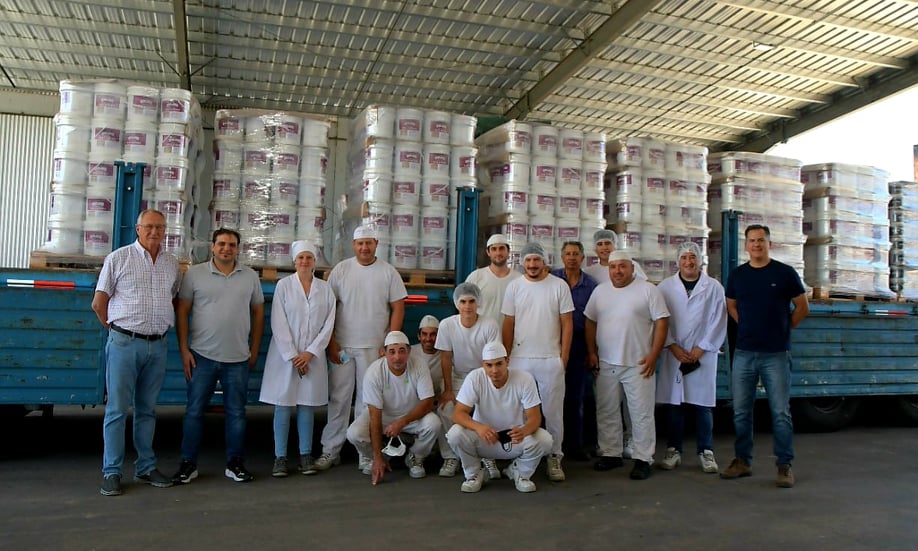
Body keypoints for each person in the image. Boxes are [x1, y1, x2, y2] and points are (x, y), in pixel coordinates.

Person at [91, 209, 180, 496]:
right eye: (149, 226)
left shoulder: (171, 263)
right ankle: (112, 472)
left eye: (160, 227)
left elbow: (172, 297)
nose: (155, 232)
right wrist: (115, 331)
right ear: (138, 229)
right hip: (124, 343)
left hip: (158, 345)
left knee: (147, 410)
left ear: (165, 231)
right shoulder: (118, 258)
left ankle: (146, 467)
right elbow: (99, 303)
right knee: (117, 410)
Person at [171, 229, 265, 485]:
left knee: (236, 414)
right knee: (194, 412)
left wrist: (254, 350)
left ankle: (235, 464)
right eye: (221, 244)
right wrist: (184, 350)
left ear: (238, 249)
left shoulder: (250, 277)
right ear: (212, 246)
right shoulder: (195, 274)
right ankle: (188, 464)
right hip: (202, 357)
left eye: (232, 245)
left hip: (238, 359)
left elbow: (258, 313)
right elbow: (182, 312)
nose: (226, 248)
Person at [721, 224, 809, 488]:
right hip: (745, 353)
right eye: (752, 240)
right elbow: (731, 304)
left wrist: (784, 327)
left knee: (780, 412)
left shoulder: (784, 273)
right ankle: (742, 461)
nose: (756, 245)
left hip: (776, 354)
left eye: (761, 240)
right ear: (746, 245)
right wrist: (746, 324)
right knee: (741, 411)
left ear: (769, 243)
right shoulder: (738, 275)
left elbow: (802, 307)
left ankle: (784, 465)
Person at [316, 224, 408, 472]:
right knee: (339, 398)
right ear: (353, 245)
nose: (364, 248)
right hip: (344, 346)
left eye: (368, 243)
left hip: (374, 347)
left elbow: (398, 307)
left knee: (368, 401)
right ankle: (330, 450)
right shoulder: (341, 270)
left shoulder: (388, 272)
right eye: (360, 243)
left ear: (376, 244)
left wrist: (390, 343)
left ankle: (364, 453)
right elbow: (329, 308)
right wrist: (332, 342)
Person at [585, 250, 670, 480]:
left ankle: (643, 458)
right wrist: (592, 352)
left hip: (639, 363)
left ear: (632, 268)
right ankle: (611, 453)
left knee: (641, 414)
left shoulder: (647, 290)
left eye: (622, 266)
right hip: (606, 363)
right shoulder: (600, 292)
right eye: (613, 267)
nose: (618, 271)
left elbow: (662, 322)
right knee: (607, 410)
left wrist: (653, 355)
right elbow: (590, 321)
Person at [259, 241, 336, 478]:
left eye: (309, 258)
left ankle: (305, 455)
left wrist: (310, 352)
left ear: (314, 261)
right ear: (294, 261)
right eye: (301, 257)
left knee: (307, 405)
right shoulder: (284, 286)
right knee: (283, 405)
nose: (304, 261)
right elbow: (278, 322)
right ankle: (280, 457)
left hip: (312, 357)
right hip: (285, 357)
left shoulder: (325, 289)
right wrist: (293, 355)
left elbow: (328, 324)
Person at [502, 242, 573, 482]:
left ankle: (554, 456)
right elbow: (509, 323)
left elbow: (567, 323)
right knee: (519, 412)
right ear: (522, 262)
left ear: (544, 261)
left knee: (553, 412)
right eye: (528, 260)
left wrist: (563, 357)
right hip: (520, 359)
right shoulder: (514, 287)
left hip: (550, 359)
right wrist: (507, 355)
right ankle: (521, 455)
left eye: (536, 260)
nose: (532, 265)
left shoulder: (559, 286)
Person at [656, 242, 727, 473]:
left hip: (702, 355)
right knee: (674, 404)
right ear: (678, 261)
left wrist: (702, 348)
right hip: (674, 353)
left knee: (702, 404)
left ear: (700, 260)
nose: (689, 262)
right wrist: (672, 345)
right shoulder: (665, 287)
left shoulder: (713, 287)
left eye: (693, 257)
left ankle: (706, 451)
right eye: (684, 257)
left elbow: (719, 320)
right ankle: (673, 449)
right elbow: (659, 319)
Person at [447, 341, 553, 493]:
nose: (494, 370)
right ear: (483, 365)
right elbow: (458, 414)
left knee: (545, 439)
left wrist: (524, 431)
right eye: (489, 365)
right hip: (484, 437)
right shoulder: (475, 377)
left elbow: (535, 417)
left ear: (507, 361)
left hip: (513, 438)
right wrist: (479, 427)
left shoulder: (524, 378)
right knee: (455, 434)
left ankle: (520, 472)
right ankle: (474, 474)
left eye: (499, 364)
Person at [346, 331, 440, 485]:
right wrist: (377, 457)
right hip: (383, 417)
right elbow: (375, 416)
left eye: (402, 351)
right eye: (392, 352)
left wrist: (401, 423)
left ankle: (415, 457)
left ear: (409, 351)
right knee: (354, 433)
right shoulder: (374, 372)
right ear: (384, 353)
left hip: (411, 416)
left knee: (434, 424)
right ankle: (378, 456)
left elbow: (427, 402)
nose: (397, 357)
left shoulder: (419, 365)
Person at [583, 229, 644, 459]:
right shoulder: (590, 273)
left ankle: (632, 440)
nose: (604, 248)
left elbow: (644, 299)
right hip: (605, 347)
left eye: (608, 243)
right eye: (600, 244)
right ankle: (609, 447)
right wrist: (593, 350)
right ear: (595, 248)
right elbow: (591, 316)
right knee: (606, 403)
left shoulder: (633, 268)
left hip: (631, 346)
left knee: (633, 403)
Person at [434, 283, 500, 478]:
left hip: (483, 376)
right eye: (463, 301)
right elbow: (446, 358)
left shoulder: (490, 325)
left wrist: (490, 386)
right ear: (457, 303)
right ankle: (451, 456)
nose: (468, 306)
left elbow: (493, 359)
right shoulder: (447, 325)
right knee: (446, 409)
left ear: (478, 303)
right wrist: (447, 390)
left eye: (472, 301)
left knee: (486, 412)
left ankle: (487, 455)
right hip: (458, 377)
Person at [550, 241, 598, 461]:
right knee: (550, 396)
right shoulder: (552, 279)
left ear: (582, 258)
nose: (571, 257)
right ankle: (548, 446)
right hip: (552, 342)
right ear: (562, 257)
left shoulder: (591, 285)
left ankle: (575, 446)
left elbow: (593, 320)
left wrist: (591, 351)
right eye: (568, 253)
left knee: (575, 397)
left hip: (579, 343)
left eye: (576, 254)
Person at [410, 315, 450, 473]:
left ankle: (449, 457)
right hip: (414, 403)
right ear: (418, 336)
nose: (428, 339)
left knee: (446, 410)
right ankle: (416, 455)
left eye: (433, 334)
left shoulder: (446, 355)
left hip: (436, 402)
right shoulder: (410, 353)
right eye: (425, 334)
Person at [465, 234, 521, 327]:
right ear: (488, 252)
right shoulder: (476, 277)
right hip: (481, 334)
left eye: (501, 248)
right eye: (494, 249)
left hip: (509, 334)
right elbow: (464, 307)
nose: (498, 253)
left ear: (508, 251)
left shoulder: (518, 279)